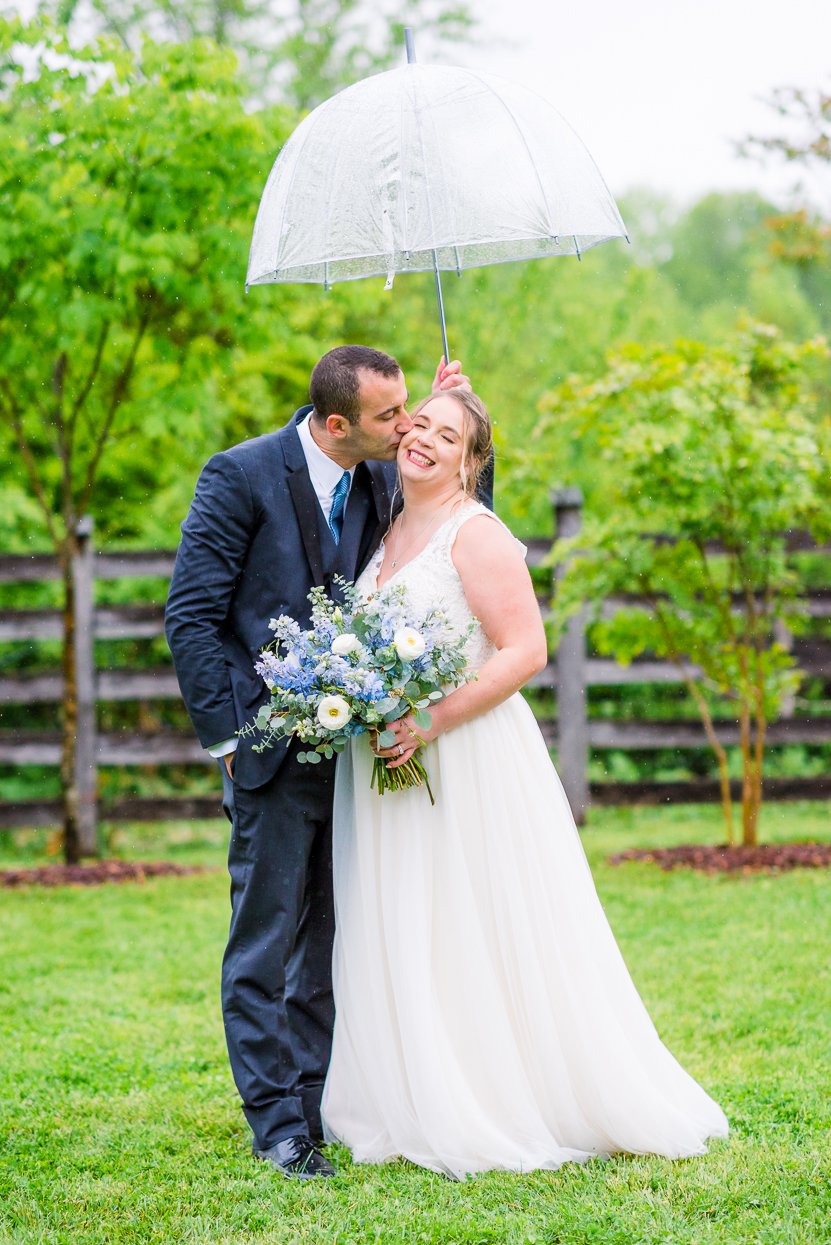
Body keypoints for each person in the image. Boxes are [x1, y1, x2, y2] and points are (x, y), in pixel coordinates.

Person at [321, 388, 729, 1179]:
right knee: (409, 918)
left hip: (465, 756)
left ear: (473, 463)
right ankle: (413, 1090)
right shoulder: (387, 527)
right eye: (419, 426)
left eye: (449, 436)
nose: (425, 443)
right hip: (387, 761)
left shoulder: (476, 534)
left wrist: (431, 719)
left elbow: (523, 649)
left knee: (474, 918)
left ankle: (497, 1094)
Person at [165, 346, 481, 1181]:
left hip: (357, 758)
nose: (406, 423)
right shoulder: (236, 477)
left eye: (410, 407)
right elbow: (191, 617)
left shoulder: (382, 476)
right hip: (265, 753)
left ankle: (313, 1101)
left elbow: (461, 518)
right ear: (337, 423)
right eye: (392, 415)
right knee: (265, 939)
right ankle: (273, 1122)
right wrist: (229, 741)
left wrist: (460, 411)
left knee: (334, 936)